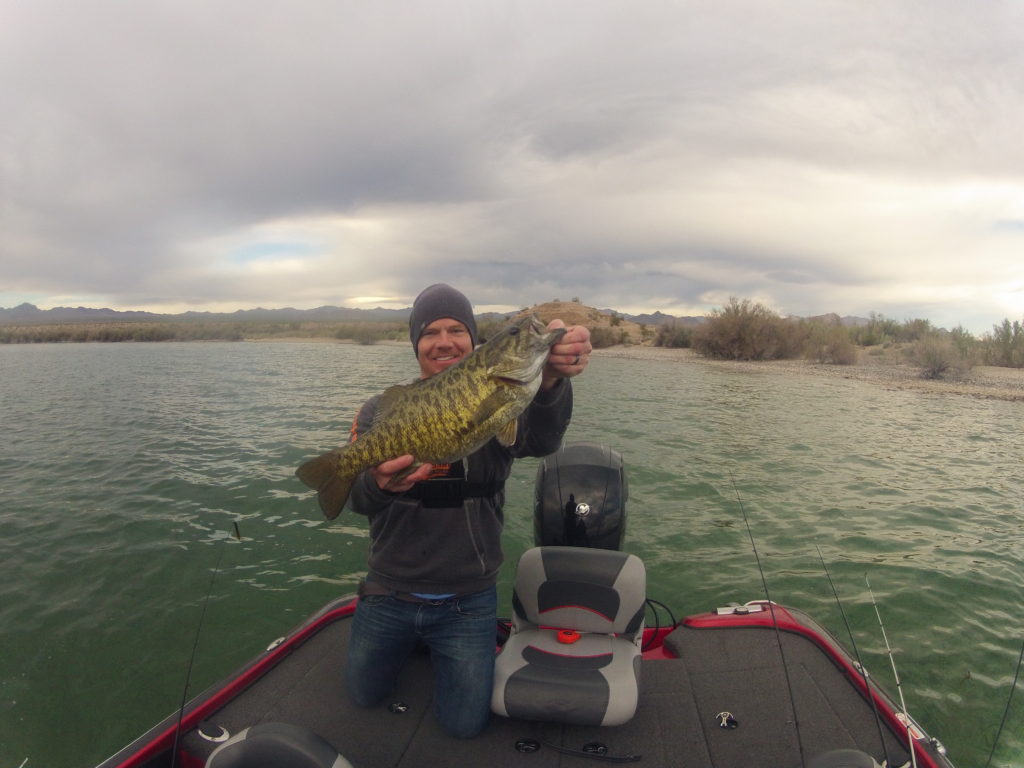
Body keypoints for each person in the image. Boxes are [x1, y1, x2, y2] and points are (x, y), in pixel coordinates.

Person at [343, 283, 591, 738]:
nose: (444, 341)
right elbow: (357, 499)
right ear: (416, 344)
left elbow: (542, 440)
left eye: (457, 330)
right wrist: (376, 483)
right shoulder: (380, 409)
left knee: (464, 726)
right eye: (430, 332)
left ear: (474, 341)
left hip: (467, 600)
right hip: (387, 592)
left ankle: (435, 649)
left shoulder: (502, 397)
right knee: (362, 695)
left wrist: (553, 381)